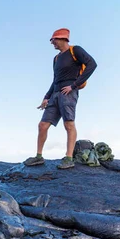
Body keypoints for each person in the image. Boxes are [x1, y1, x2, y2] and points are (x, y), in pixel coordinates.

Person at [24, 28, 97, 169]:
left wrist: (74, 85)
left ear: (62, 38)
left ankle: (69, 158)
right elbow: (55, 79)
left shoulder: (75, 51)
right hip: (55, 93)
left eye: (53, 40)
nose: (52, 43)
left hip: (68, 93)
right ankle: (39, 157)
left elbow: (92, 64)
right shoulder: (56, 58)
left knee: (69, 124)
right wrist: (47, 97)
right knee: (42, 125)